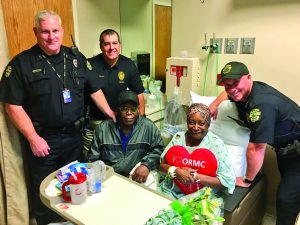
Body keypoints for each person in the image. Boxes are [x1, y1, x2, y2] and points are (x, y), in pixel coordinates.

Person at [0, 10, 115, 225]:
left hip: (75, 138)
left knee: (75, 187)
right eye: (45, 32)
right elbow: (12, 105)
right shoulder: (21, 64)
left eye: (55, 31)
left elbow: (94, 89)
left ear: (62, 31)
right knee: (45, 193)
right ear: (36, 32)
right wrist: (33, 138)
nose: (51, 37)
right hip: (44, 142)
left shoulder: (76, 58)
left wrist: (110, 113)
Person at [209, 61, 300, 225]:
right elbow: (228, 94)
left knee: (286, 199)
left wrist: (247, 181)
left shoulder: (261, 104)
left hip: (297, 153)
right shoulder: (244, 92)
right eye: (227, 85)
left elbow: (257, 148)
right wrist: (213, 105)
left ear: (249, 77)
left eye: (235, 83)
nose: (231, 89)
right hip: (286, 150)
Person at [83, 29, 145, 156]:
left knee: (116, 160)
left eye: (115, 43)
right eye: (107, 44)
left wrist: (141, 121)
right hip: (95, 123)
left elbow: (139, 94)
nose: (112, 47)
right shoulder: (90, 65)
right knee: (91, 160)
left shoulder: (128, 65)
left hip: (119, 123)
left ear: (120, 45)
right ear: (101, 46)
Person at [159, 103, 235, 199]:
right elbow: (161, 165)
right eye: (191, 122)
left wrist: (193, 176)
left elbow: (227, 181)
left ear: (208, 124)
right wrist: (176, 171)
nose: (195, 127)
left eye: (201, 123)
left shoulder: (215, 144)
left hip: (202, 198)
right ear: (187, 122)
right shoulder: (178, 138)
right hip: (171, 192)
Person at [88, 90, 163, 183]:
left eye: (133, 109)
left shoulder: (148, 127)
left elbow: (158, 150)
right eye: (124, 108)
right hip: (110, 179)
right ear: (117, 110)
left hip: (136, 178)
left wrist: (146, 165)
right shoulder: (103, 129)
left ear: (138, 109)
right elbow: (92, 160)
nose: (129, 112)